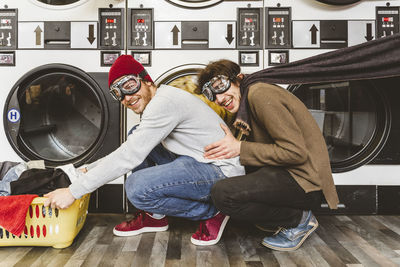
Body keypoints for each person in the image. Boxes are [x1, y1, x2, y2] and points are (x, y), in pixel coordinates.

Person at [44, 55, 245, 246]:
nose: (127, 97)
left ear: (147, 81)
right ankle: (155, 217)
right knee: (136, 133)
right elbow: (132, 147)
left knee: (136, 188)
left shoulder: (163, 104)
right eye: (118, 93)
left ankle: (211, 212)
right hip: (198, 161)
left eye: (130, 85)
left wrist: (73, 192)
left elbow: (129, 156)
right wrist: (86, 169)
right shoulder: (162, 97)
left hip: (220, 173)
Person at [197, 59, 339, 251]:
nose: (219, 99)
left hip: (306, 183)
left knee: (223, 194)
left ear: (238, 78)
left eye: (220, 86)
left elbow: (294, 152)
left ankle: (299, 220)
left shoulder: (259, 94)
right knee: (239, 175)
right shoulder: (249, 96)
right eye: (211, 95)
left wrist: (240, 148)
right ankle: (279, 217)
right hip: (292, 176)